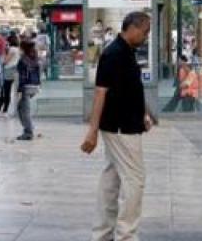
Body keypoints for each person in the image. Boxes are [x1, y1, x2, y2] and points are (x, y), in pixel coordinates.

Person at [83, 12, 153, 241]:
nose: (146, 36)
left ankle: (102, 234)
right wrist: (92, 132)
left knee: (111, 180)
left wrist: (143, 113)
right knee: (135, 180)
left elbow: (131, 88)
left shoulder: (126, 52)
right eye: (145, 31)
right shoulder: (113, 54)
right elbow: (100, 93)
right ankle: (126, 235)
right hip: (121, 128)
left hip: (126, 123)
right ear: (132, 28)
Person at [15, 39, 42, 140]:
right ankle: (28, 127)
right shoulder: (35, 58)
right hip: (34, 86)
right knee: (21, 108)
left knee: (24, 110)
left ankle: (28, 131)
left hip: (26, 86)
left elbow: (22, 77)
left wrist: (19, 90)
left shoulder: (23, 60)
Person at [0, 34, 21, 117]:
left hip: (8, 70)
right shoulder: (18, 49)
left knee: (5, 91)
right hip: (15, 70)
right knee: (7, 90)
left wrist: (4, 57)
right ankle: (3, 110)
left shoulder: (12, 49)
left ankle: (3, 110)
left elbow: (6, 61)